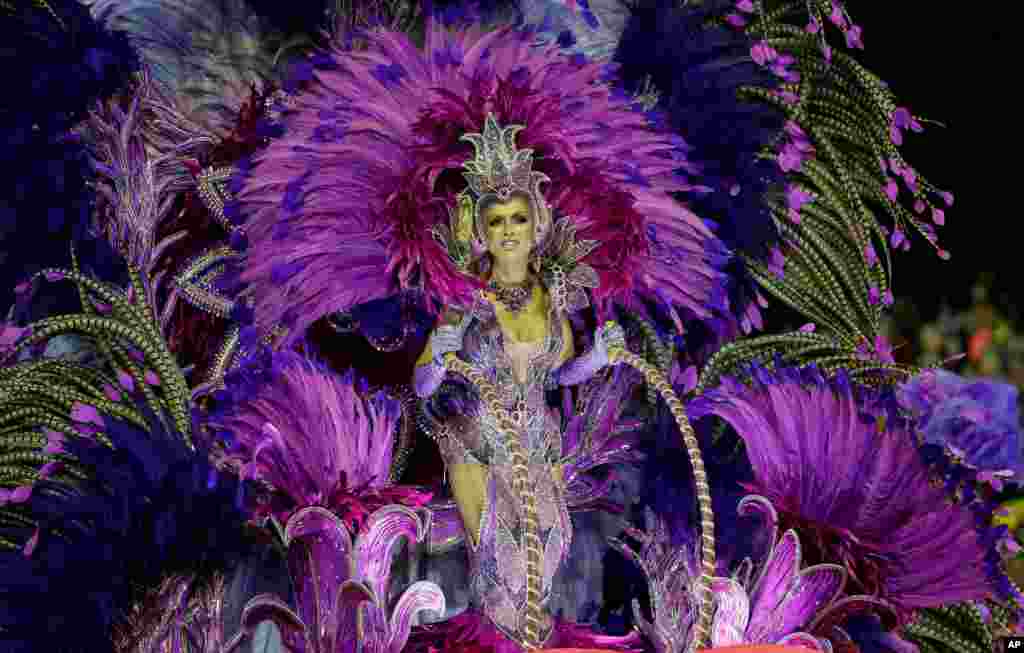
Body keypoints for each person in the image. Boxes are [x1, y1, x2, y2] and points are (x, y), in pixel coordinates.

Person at [412, 115, 627, 650]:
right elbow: (420, 386)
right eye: (497, 221)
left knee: (546, 555)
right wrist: (438, 360)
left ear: (537, 227)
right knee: (501, 564)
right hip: (477, 443)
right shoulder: (463, 300)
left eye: (518, 218)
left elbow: (562, 374)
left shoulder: (553, 299)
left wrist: (596, 358)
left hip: (539, 443)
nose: (508, 229)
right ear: (482, 233)